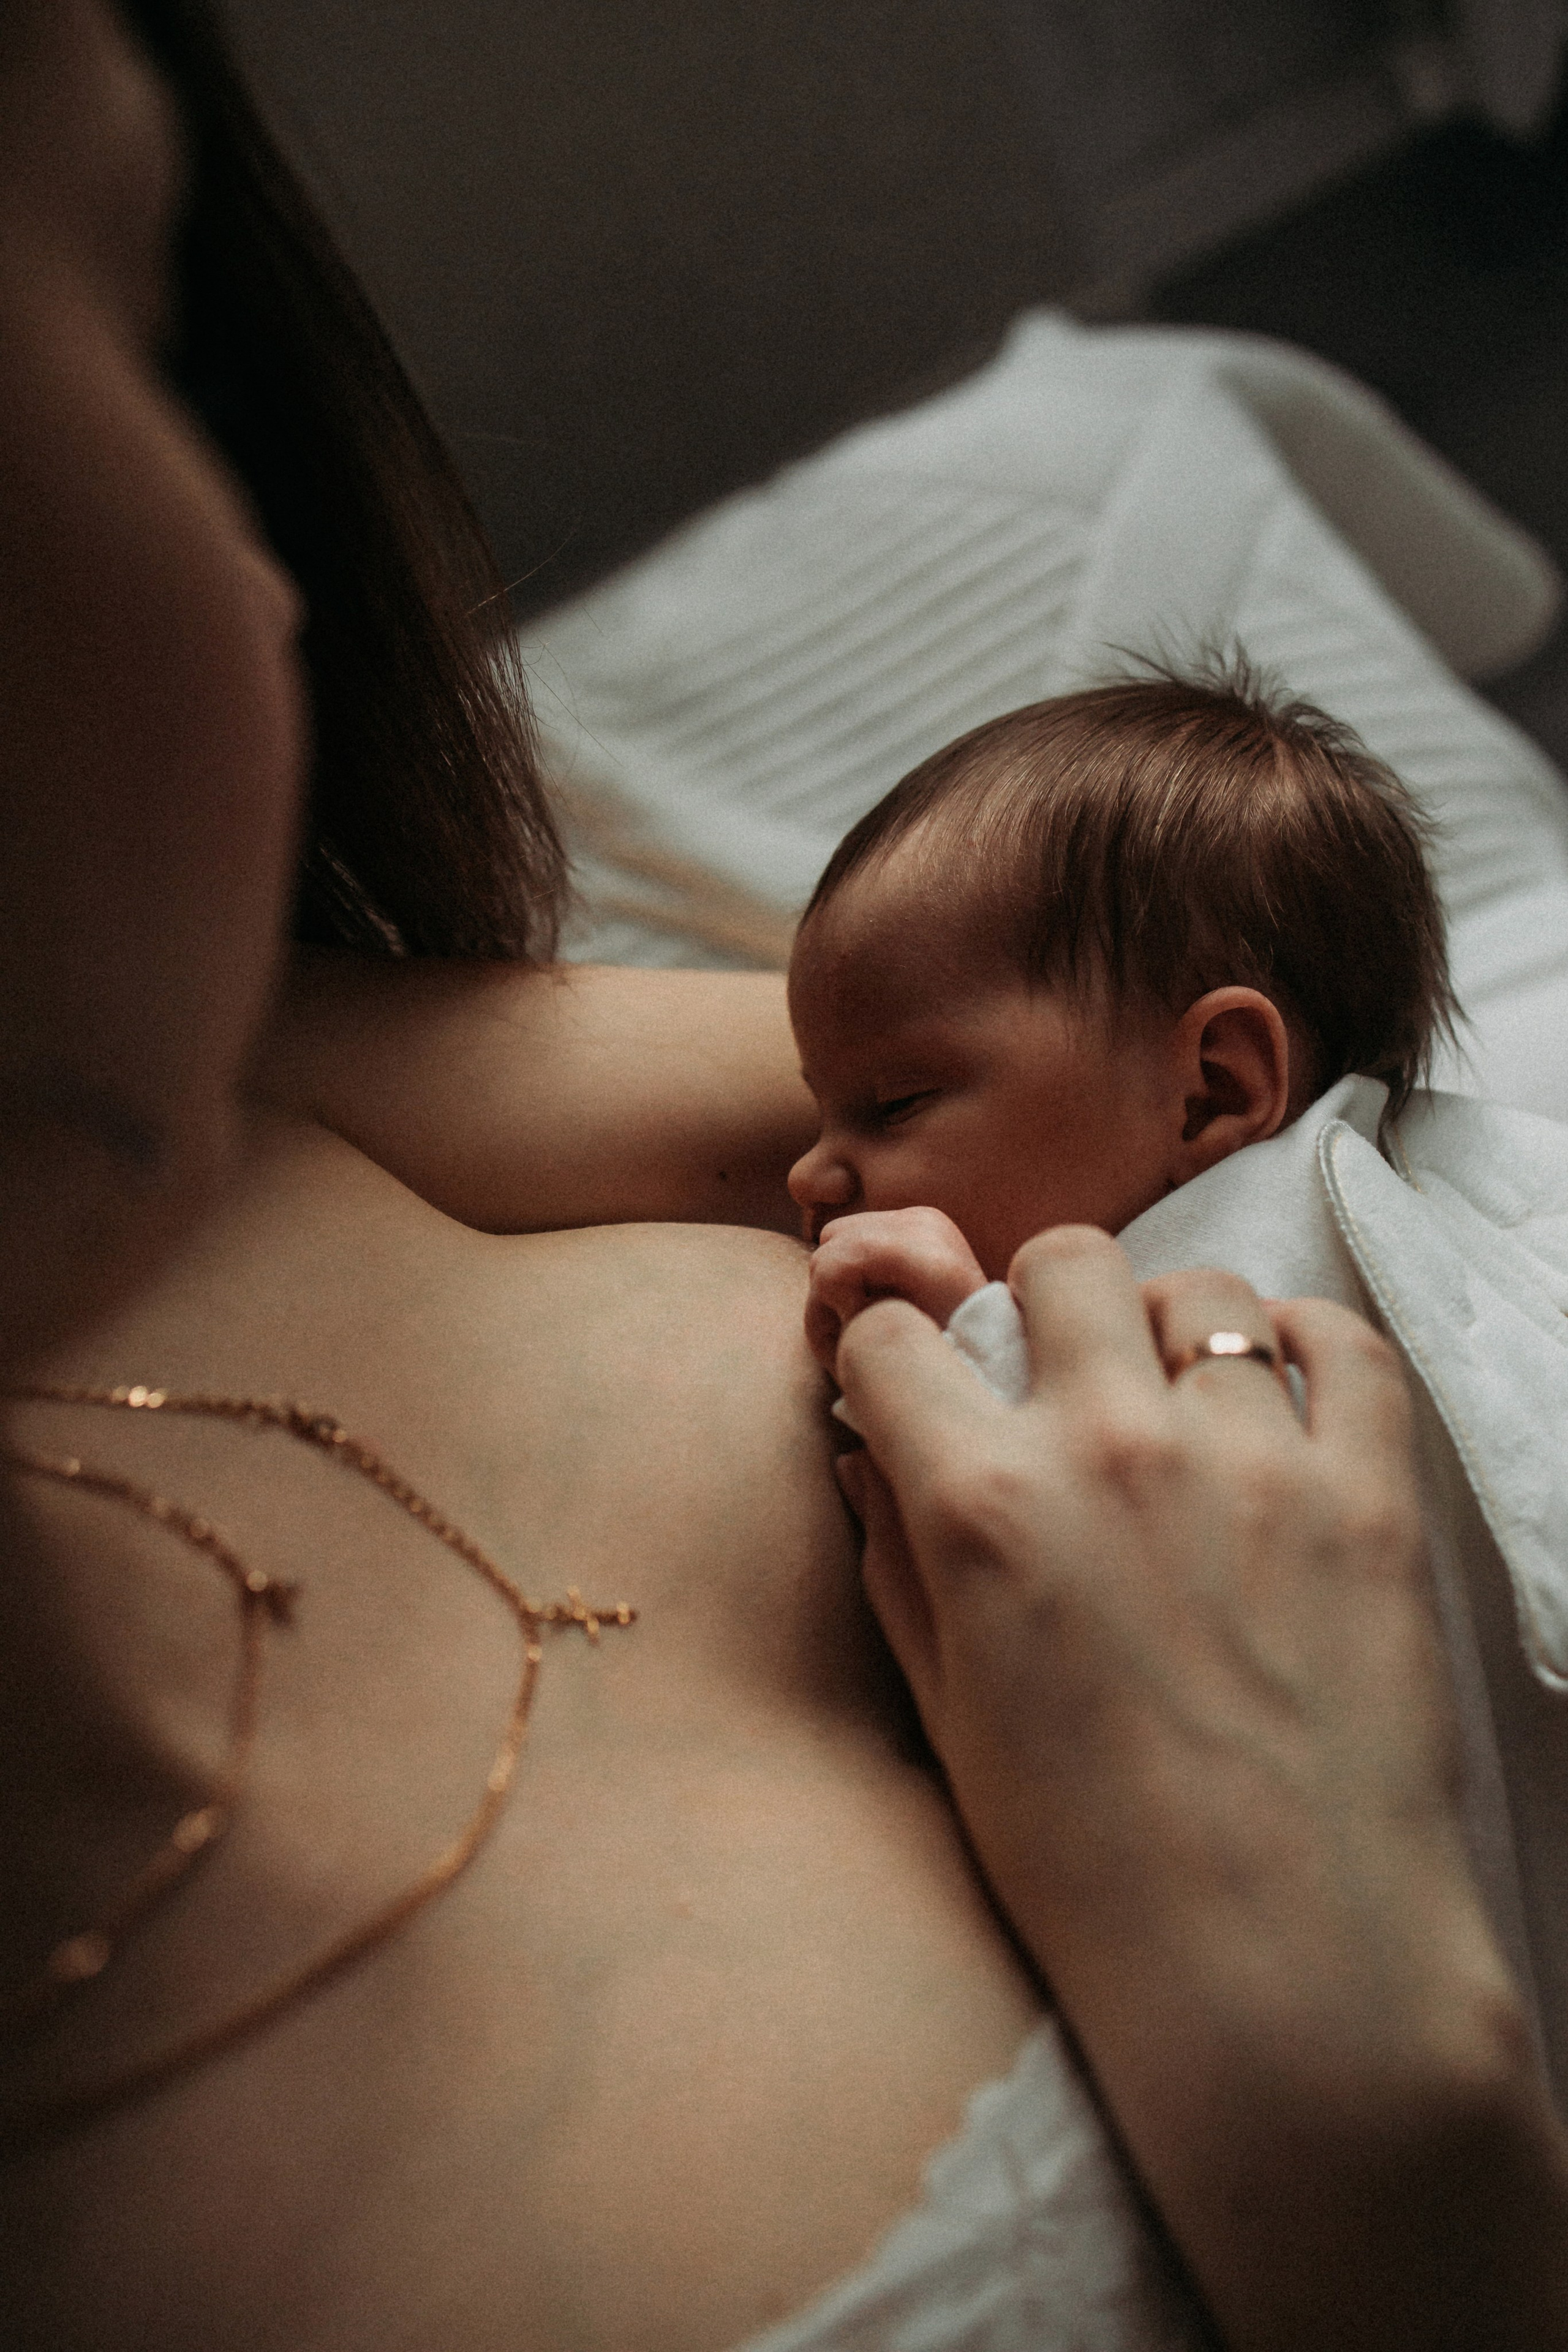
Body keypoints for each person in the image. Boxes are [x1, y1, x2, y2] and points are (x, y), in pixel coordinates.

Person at [3, 9, 1567, 2352]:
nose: (262, 600)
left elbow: (1158, 1039)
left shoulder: (213, 1093)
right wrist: (1381, 2162)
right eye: (86, 329)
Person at [785, 671, 1455, 1358]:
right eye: (821, 1115)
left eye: (898, 1104)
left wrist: (974, 1334)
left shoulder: (1303, 1254)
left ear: (1208, 1094)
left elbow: (1189, 1454)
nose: (804, 1177)